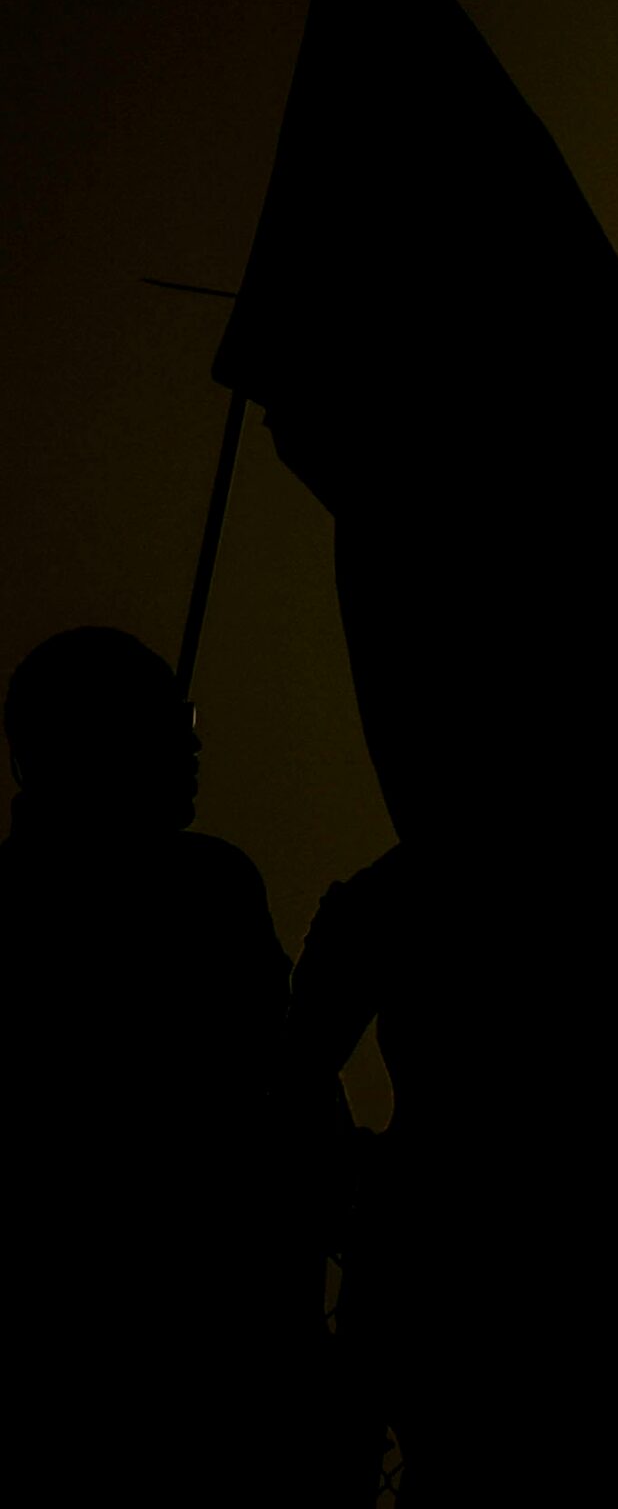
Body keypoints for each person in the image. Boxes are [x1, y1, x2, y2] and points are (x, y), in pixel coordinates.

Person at [0, 628, 339, 1497]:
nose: (192, 742)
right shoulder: (211, 890)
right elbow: (297, 1103)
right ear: (92, 741)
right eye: (167, 720)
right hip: (215, 1371)